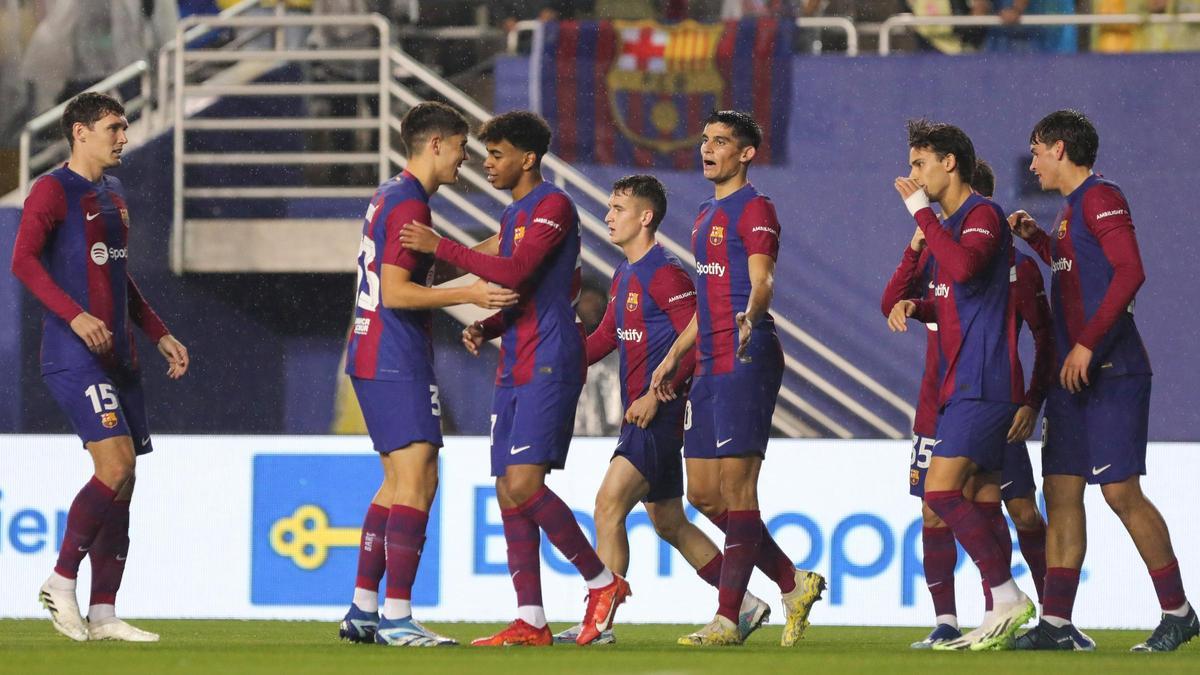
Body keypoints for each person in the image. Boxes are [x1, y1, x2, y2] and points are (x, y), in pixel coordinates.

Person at [399, 110, 629, 647]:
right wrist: (492, 323)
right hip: (518, 359)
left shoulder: (553, 206)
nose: (487, 164)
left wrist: (441, 247)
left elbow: (518, 272)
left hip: (551, 360)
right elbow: (532, 289)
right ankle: (531, 618)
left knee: (524, 484)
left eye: (497, 155)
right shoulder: (519, 213)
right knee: (507, 490)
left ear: (527, 158)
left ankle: (601, 582)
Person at [554, 175, 772, 645]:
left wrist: (658, 394)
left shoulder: (665, 272)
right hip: (644, 414)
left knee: (607, 506)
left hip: (662, 414)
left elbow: (697, 342)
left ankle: (601, 621)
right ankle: (747, 604)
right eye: (609, 207)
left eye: (618, 208)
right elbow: (606, 340)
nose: (608, 216)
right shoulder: (625, 273)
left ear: (645, 217)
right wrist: (554, 352)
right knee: (670, 521)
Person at [1009, 109, 1197, 652]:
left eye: (1038, 150)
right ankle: (1058, 625)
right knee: (1062, 492)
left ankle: (1179, 612)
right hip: (1074, 377)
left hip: (1111, 370)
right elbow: (1080, 269)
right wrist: (1038, 241)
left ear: (1061, 149)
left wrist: (1088, 343)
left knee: (1120, 493)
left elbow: (1130, 270)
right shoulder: (1070, 212)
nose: (1035, 161)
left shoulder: (1100, 196)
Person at [337, 102, 519, 647]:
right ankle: (397, 617)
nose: (466, 158)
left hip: (375, 352)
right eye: (462, 146)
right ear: (436, 143)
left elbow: (422, 269)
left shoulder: (392, 194)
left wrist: (491, 250)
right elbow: (397, 291)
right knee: (420, 479)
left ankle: (364, 610)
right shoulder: (409, 202)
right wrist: (469, 292)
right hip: (394, 355)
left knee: (397, 482)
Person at [11, 92, 190, 643]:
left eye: (125, 127)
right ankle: (60, 581)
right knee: (113, 465)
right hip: (73, 354)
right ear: (79, 132)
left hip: (120, 357)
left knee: (126, 478)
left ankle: (106, 611)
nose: (123, 137)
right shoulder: (51, 189)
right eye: (113, 127)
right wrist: (75, 315)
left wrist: (157, 331)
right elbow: (22, 260)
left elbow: (118, 276)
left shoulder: (112, 192)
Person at [650, 110, 825, 647]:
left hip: (747, 354)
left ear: (746, 153)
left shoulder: (756, 208)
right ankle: (794, 582)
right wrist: (672, 355)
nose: (708, 149)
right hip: (706, 360)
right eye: (705, 139)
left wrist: (752, 314)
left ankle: (728, 619)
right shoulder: (704, 213)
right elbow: (708, 299)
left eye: (721, 142)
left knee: (738, 487)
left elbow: (761, 278)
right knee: (704, 494)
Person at [883, 158, 1051, 649]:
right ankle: (953, 619)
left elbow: (1043, 335)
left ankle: (1045, 620)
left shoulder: (1010, 266)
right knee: (944, 508)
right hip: (940, 402)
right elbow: (891, 301)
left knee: (1015, 510)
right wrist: (915, 252)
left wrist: (1031, 400)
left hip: (989, 398)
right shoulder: (934, 252)